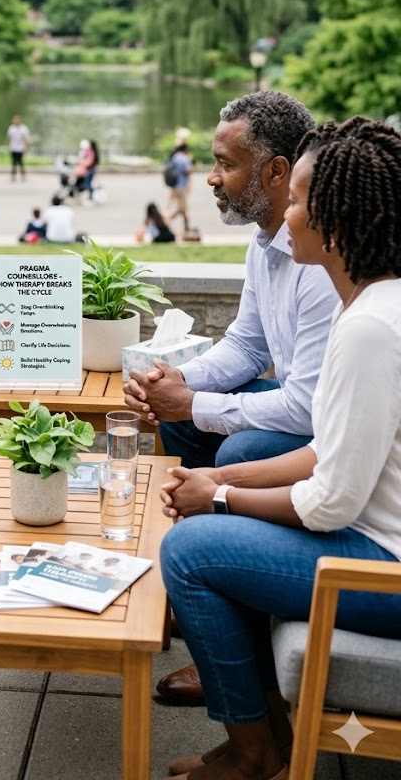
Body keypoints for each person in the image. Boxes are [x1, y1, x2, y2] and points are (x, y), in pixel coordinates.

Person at [158, 115, 401, 780]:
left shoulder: (371, 328)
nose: (286, 216)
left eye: (295, 202)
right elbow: (328, 451)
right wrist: (211, 486)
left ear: (335, 216)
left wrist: (224, 498)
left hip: (382, 566)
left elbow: (329, 503)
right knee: (210, 492)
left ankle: (252, 754)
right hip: (373, 537)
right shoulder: (376, 306)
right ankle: (261, 720)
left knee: (189, 551)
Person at [123, 90, 339, 707]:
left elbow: (308, 407)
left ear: (275, 171)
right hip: (309, 411)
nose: (211, 178)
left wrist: (194, 410)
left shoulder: (321, 264)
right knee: (197, 426)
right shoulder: (265, 242)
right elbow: (246, 345)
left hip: (316, 419)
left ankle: (224, 628)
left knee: (230, 435)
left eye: (226, 164)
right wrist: (176, 385)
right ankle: (216, 635)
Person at [166, 141, 193, 235]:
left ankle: (187, 228)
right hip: (181, 186)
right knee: (182, 208)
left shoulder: (174, 157)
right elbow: (188, 171)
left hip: (175, 186)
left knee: (184, 209)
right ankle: (167, 220)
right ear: (185, 149)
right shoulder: (183, 158)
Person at [71, 139, 99, 204]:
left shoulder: (90, 152)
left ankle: (90, 197)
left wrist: (80, 163)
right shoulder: (92, 152)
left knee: (87, 184)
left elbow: (88, 162)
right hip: (90, 170)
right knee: (88, 184)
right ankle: (90, 196)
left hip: (89, 171)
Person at [7, 115, 30, 181]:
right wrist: (9, 146)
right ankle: (13, 176)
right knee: (14, 162)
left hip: (20, 148)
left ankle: (23, 175)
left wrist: (25, 147)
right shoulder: (11, 128)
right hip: (13, 148)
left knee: (21, 162)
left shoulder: (24, 128)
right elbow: (9, 138)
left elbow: (25, 139)